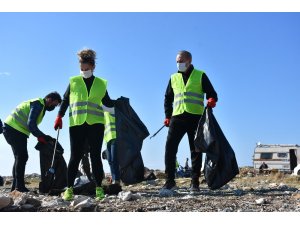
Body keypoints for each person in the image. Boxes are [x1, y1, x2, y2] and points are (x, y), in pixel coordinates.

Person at [54, 49, 115, 201]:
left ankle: (99, 188)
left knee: (95, 156)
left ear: (93, 67)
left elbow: (107, 103)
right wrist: (59, 116)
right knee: (75, 156)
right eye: (81, 69)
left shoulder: (101, 83)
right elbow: (66, 100)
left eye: (86, 69)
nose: (84, 71)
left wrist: (119, 105)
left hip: (96, 124)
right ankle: (69, 189)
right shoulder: (74, 81)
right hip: (77, 123)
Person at [162, 50, 218, 192]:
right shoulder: (173, 77)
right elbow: (168, 98)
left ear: (189, 61)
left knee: (196, 150)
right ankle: (169, 182)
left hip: (196, 118)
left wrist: (211, 100)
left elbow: (212, 93)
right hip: (178, 117)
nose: (178, 63)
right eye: (176, 61)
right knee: (170, 148)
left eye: (180, 61)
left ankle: (195, 183)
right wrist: (168, 116)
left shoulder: (200, 75)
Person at [3, 92, 62, 192]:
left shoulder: (40, 106)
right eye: (54, 104)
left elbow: (32, 125)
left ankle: (16, 187)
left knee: (19, 157)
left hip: (16, 130)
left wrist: (41, 136)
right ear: (49, 99)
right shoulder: (38, 104)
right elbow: (31, 124)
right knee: (22, 156)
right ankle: (19, 187)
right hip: (14, 129)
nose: (54, 107)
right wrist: (41, 136)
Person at [103, 106, 120, 185]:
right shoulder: (102, 114)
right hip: (107, 139)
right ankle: (113, 179)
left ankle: (116, 180)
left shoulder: (110, 108)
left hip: (114, 136)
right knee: (109, 160)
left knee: (114, 159)